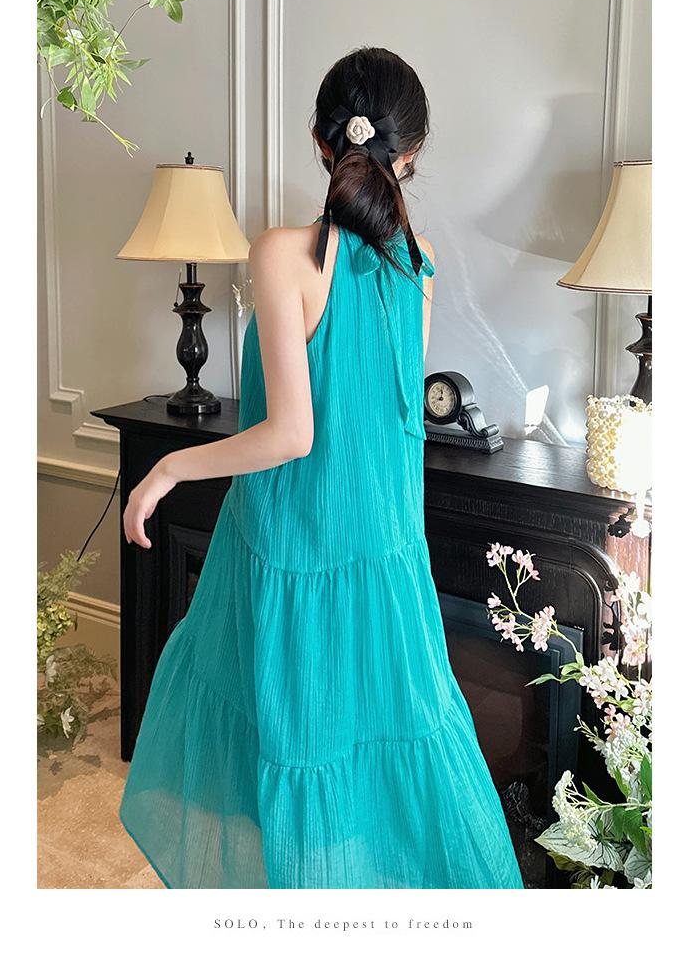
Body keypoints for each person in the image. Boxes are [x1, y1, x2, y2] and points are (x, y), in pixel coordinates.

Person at [118, 46, 524, 890]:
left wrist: (169, 469)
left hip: (295, 542)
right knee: (372, 771)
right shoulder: (420, 266)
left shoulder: (283, 255)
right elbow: (390, 426)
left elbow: (292, 433)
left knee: (292, 756)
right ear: (411, 155)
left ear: (318, 138)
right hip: (384, 553)